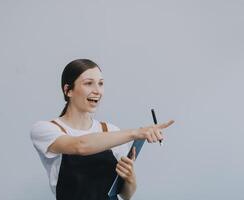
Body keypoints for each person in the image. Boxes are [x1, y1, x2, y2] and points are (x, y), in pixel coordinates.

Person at [30, 59, 174, 200]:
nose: (97, 91)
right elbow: (80, 146)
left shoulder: (111, 131)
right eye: (88, 83)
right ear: (68, 90)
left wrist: (130, 177)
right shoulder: (46, 129)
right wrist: (136, 132)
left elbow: (125, 195)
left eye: (101, 83)